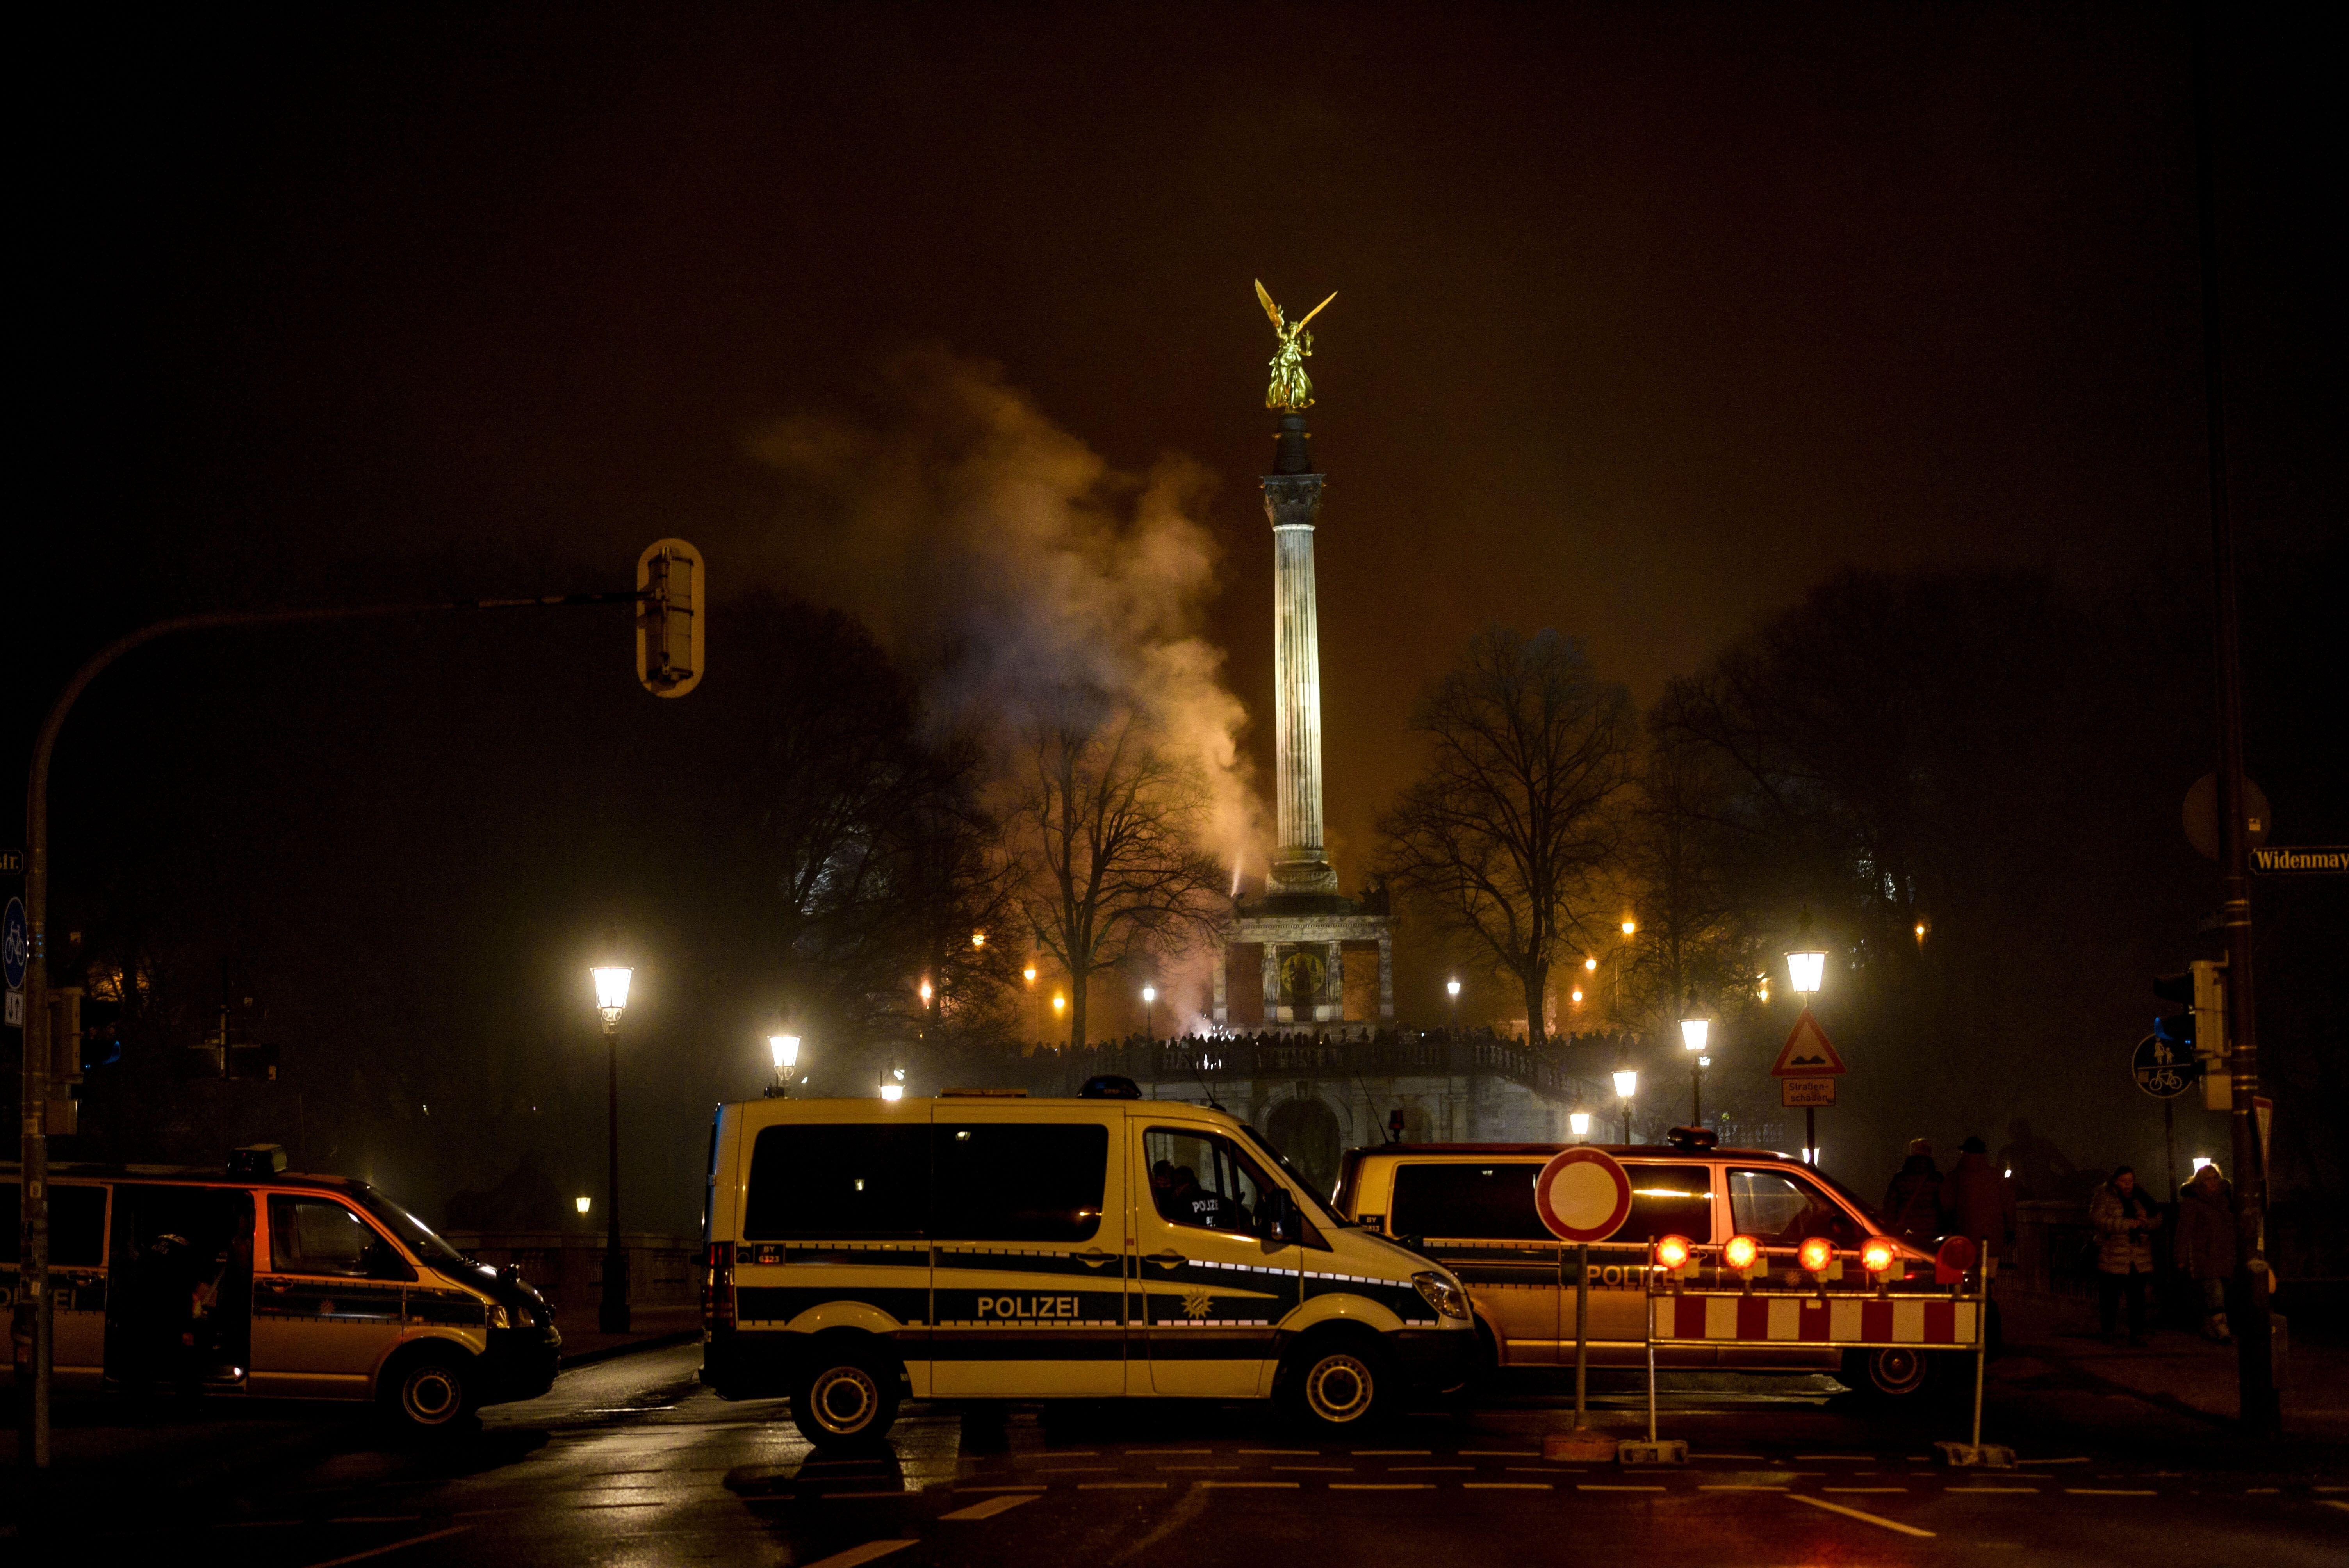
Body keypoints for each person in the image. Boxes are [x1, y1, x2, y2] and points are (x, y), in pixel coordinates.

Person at [2090, 1165, 2158, 1345]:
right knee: (2110, 1298)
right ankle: (2108, 1331)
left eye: (2131, 1181)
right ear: (2115, 1181)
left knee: (2137, 1298)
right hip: (2114, 1254)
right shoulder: (2104, 1196)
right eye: (2124, 1181)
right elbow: (2098, 1219)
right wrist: (2126, 1224)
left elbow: (2158, 1217)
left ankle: (2137, 1333)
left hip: (2138, 1255)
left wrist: (2146, 1224)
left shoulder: (2141, 1196)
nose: (2128, 1185)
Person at [2174, 1163, 2237, 1342]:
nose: (2213, 1182)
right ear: (2201, 1182)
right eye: (2209, 1179)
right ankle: (2222, 1328)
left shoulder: (2226, 1200)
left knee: (2215, 1294)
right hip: (2205, 1256)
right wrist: (2181, 1258)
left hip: (2225, 1254)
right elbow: (2184, 1231)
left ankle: (2208, 1327)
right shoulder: (2193, 1203)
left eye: (2215, 1177)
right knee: (2215, 1293)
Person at [1940, 1135, 2017, 1260]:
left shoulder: (1954, 1178)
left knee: (1966, 1272)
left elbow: (1946, 1205)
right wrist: (2011, 1230)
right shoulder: (1996, 1176)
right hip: (1993, 1239)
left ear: (1964, 1153)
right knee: (1990, 1274)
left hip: (1964, 1239)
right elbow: (2009, 1205)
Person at [1882, 1139, 1944, 1247]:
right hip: (1932, 1232)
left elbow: (1890, 1207)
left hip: (1906, 1231)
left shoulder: (1900, 1178)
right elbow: (1945, 1206)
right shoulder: (1937, 1179)